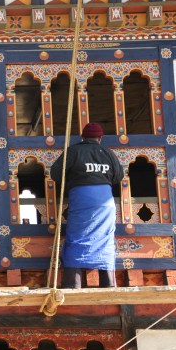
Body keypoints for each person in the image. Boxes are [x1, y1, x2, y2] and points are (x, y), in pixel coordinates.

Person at [50, 122, 124, 289]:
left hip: (82, 199)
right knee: (105, 239)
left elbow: (55, 173)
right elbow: (118, 176)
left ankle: (72, 284)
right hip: (105, 202)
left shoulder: (74, 151)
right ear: (100, 138)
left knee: (77, 238)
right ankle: (108, 284)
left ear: (82, 137)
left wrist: (74, 179)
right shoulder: (108, 153)